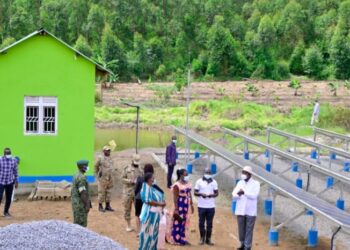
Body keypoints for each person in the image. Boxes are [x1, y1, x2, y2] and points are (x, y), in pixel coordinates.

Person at [232, 166, 260, 250]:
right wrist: (238, 194)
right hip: (241, 209)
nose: (243, 174)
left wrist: (244, 193)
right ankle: (242, 244)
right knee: (241, 228)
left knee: (249, 229)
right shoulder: (240, 182)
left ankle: (247, 247)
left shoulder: (256, 183)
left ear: (249, 174)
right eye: (242, 172)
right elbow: (234, 194)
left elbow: (254, 195)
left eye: (245, 172)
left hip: (250, 211)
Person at [138, 172, 166, 250]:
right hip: (149, 215)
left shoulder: (152, 187)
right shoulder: (145, 187)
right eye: (153, 177)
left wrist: (163, 202)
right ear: (149, 179)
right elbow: (147, 200)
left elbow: (160, 196)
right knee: (146, 234)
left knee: (154, 234)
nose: (154, 179)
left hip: (156, 215)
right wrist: (160, 204)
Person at [168, 168, 194, 245]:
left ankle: (183, 238)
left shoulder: (188, 184)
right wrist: (176, 209)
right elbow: (175, 197)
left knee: (185, 221)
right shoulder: (177, 185)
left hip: (186, 205)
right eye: (186, 174)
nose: (187, 176)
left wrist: (191, 204)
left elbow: (190, 195)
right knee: (177, 221)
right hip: (179, 205)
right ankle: (175, 239)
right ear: (181, 175)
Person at [194, 167, 219, 245]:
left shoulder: (214, 182)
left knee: (209, 223)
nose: (208, 174)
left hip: (211, 206)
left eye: (209, 173)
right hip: (201, 206)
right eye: (206, 172)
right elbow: (195, 192)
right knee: (201, 223)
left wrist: (212, 195)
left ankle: (208, 239)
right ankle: (202, 238)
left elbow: (217, 193)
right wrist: (201, 194)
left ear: (211, 174)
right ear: (204, 173)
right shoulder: (199, 181)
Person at [122, 154, 143, 232]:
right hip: (128, 192)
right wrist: (130, 181)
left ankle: (139, 227)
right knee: (127, 209)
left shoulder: (141, 169)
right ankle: (128, 225)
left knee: (138, 210)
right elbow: (122, 178)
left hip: (137, 193)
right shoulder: (127, 169)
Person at [135, 164, 154, 234]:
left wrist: (136, 195)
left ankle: (138, 232)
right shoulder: (152, 180)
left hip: (138, 198)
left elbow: (136, 189)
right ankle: (145, 231)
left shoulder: (139, 178)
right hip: (147, 199)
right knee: (146, 214)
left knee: (137, 215)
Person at [94, 145, 115, 212]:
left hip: (110, 178)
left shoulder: (110, 158)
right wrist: (98, 173)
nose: (108, 151)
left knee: (109, 192)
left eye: (109, 150)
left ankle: (107, 206)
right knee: (101, 192)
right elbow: (96, 166)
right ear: (104, 151)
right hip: (102, 178)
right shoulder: (100, 158)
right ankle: (100, 206)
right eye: (107, 150)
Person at [71, 160, 91, 227]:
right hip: (80, 205)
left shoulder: (76, 174)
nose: (88, 167)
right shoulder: (81, 178)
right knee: (81, 224)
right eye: (87, 166)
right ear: (83, 167)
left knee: (76, 222)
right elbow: (82, 193)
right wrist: (87, 204)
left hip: (75, 203)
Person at [0, 148, 18, 217]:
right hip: (1, 182)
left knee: (9, 198)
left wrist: (16, 181)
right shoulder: (0, 160)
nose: (8, 155)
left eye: (9, 154)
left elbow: (15, 171)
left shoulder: (13, 160)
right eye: (7, 154)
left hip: (10, 182)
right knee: (0, 196)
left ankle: (6, 212)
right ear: (4, 154)